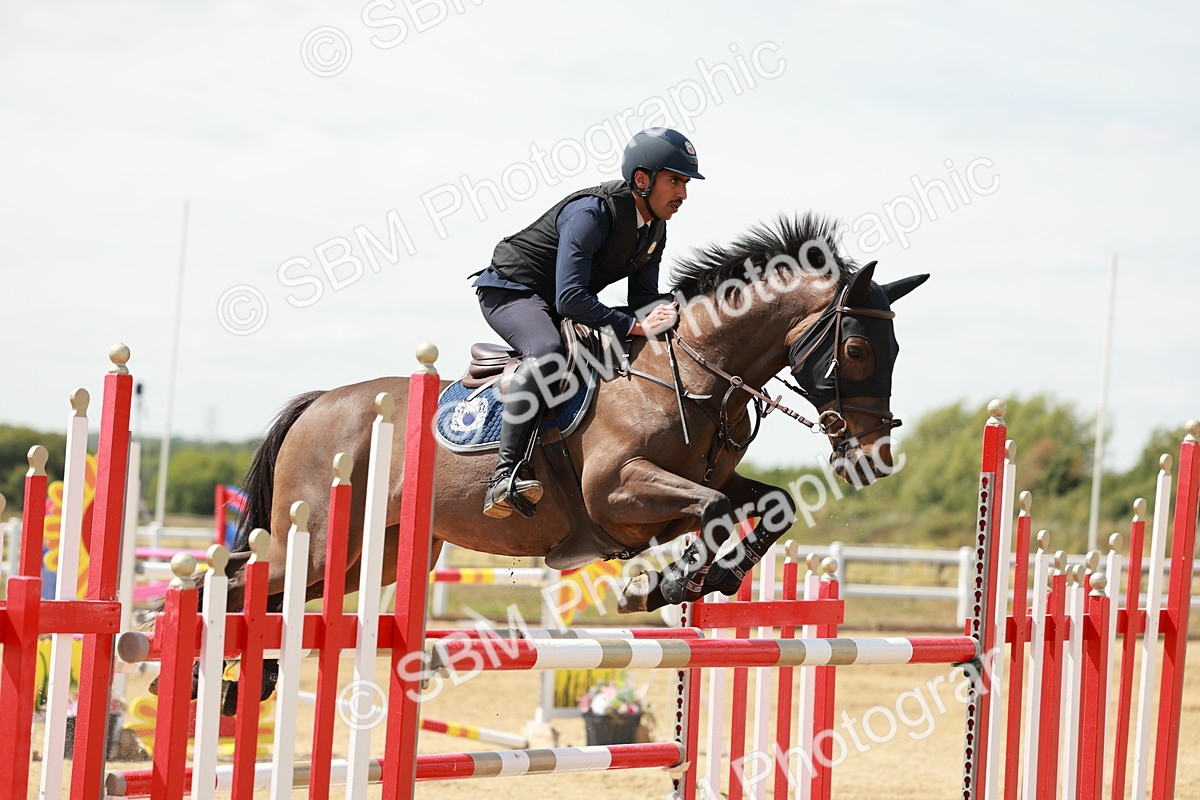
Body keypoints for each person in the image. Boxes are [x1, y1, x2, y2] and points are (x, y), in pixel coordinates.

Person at [471, 127, 703, 519]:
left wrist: (690, 310)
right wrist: (633, 327)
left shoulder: (654, 229)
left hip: (556, 301)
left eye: (685, 183)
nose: (683, 193)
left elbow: (643, 301)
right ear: (642, 180)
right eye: (675, 181)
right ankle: (505, 477)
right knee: (547, 353)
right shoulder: (591, 214)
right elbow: (572, 299)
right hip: (511, 291)